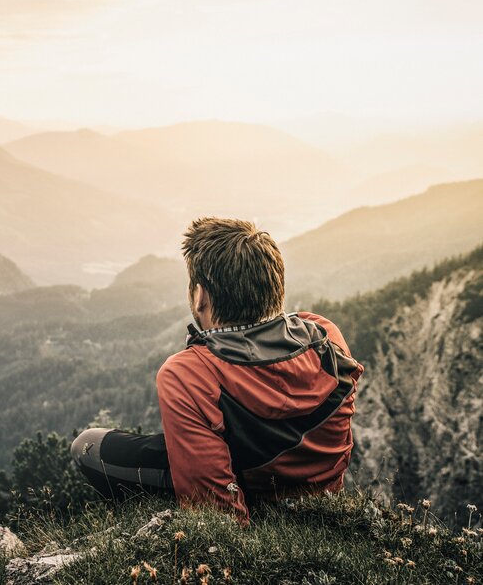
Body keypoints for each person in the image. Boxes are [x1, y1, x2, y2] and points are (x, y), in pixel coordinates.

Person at [70, 217, 364, 525]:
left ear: (200, 296)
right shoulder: (326, 336)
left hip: (251, 486)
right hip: (320, 494)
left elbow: (215, 512)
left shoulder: (190, 373)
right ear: (275, 285)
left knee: (87, 447)